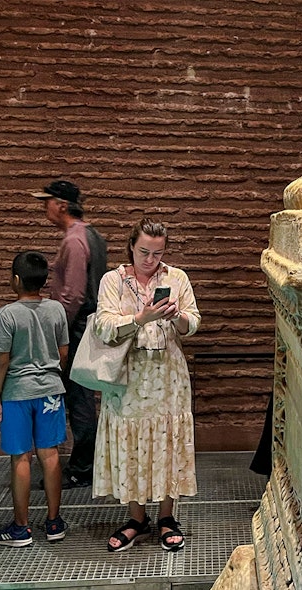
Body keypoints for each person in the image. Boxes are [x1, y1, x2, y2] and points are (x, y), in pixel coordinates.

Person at [92, 218, 201, 552]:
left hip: (169, 379)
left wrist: (177, 316)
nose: (150, 259)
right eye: (144, 251)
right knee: (132, 445)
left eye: (157, 253)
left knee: (169, 443)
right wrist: (141, 318)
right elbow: (103, 326)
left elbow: (193, 323)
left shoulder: (177, 277)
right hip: (128, 381)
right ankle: (136, 518)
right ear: (131, 246)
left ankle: (167, 517)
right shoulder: (113, 280)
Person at [0, 251, 70, 547]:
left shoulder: (7, 315)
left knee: (21, 457)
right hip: (50, 392)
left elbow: (1, 362)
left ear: (16, 280)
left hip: (17, 395)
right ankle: (54, 522)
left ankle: (21, 527)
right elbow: (63, 354)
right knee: (51, 455)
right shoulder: (56, 310)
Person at [32, 180, 108, 489]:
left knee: (78, 398)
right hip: (86, 324)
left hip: (75, 328)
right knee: (83, 396)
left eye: (47, 201)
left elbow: (73, 295)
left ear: (62, 205)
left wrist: (56, 332)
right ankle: (86, 463)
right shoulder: (93, 236)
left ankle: (82, 467)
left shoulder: (75, 241)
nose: (44, 206)